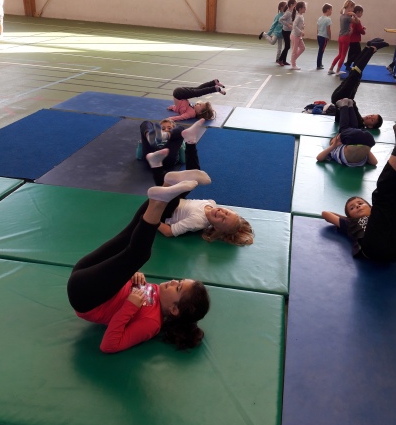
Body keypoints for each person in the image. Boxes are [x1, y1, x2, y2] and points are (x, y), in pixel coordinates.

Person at [67, 176, 211, 353]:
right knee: (129, 235)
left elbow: (109, 345)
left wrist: (130, 306)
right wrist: (132, 277)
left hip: (85, 297)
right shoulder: (156, 292)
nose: (174, 281)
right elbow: (120, 285)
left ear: (174, 309)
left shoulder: (152, 323)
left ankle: (164, 198)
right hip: (84, 273)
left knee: (139, 254)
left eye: (178, 287)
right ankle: (168, 185)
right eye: (179, 281)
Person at [145, 119, 255, 246]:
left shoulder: (197, 222)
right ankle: (190, 141)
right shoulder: (211, 203)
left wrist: (149, 218)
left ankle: (158, 167)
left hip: (162, 211)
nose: (221, 213)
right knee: (193, 179)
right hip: (175, 199)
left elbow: (169, 232)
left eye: (223, 219)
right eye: (226, 212)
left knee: (173, 197)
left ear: (216, 228)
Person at [321, 123, 396, 263]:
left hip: (394, 244)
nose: (357, 206)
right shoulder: (350, 224)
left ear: (370, 207)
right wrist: (348, 219)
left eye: (360, 204)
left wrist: (350, 216)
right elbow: (325, 214)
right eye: (352, 208)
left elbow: (326, 213)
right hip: (378, 248)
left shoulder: (359, 219)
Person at [331, 38, 388, 129]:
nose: (369, 117)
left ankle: (372, 48)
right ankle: (368, 47)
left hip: (341, 98)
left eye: (372, 120)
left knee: (356, 72)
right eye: (372, 115)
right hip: (341, 98)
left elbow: (352, 106)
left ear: (370, 126)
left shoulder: (359, 124)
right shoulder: (359, 120)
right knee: (355, 71)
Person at [316, 98, 377, 167]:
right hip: (366, 141)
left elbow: (319, 158)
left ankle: (349, 106)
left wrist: (333, 146)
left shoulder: (333, 152)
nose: (337, 137)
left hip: (366, 140)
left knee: (353, 128)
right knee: (344, 128)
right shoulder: (338, 147)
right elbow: (374, 162)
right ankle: (345, 106)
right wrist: (366, 149)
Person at [328, 0, 356, 76]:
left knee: (339, 54)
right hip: (346, 37)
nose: (353, 9)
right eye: (353, 8)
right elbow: (356, 22)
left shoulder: (342, 16)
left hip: (340, 37)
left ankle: (331, 68)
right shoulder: (348, 17)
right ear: (349, 7)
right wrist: (354, 15)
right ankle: (337, 70)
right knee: (343, 55)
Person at [344, 5, 365, 71]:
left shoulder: (352, 20)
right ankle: (349, 63)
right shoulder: (357, 21)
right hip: (355, 40)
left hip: (350, 39)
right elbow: (361, 31)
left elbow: (355, 29)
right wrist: (363, 30)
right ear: (358, 12)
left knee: (351, 53)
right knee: (358, 53)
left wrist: (362, 28)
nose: (362, 14)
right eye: (361, 12)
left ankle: (348, 65)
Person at [277, 0, 296, 66]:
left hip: (289, 31)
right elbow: (280, 20)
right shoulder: (287, 12)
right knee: (287, 46)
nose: (296, 5)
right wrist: (287, 24)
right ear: (291, 5)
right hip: (285, 31)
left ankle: (284, 61)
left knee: (287, 46)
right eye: (295, 4)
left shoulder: (292, 12)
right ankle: (280, 60)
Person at [290, 1, 307, 70]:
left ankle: (293, 59)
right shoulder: (298, 16)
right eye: (304, 7)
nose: (305, 9)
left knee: (303, 48)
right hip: (295, 36)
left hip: (298, 36)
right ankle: (293, 65)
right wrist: (300, 32)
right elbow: (294, 25)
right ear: (300, 9)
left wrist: (302, 26)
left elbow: (298, 25)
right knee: (294, 50)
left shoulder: (301, 16)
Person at [316, 3, 332, 70]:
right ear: (327, 10)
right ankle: (318, 64)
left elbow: (317, 28)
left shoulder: (320, 18)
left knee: (320, 50)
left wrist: (317, 34)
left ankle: (320, 63)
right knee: (321, 51)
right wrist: (329, 36)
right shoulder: (328, 19)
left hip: (319, 36)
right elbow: (328, 29)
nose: (331, 11)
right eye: (331, 10)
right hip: (324, 37)